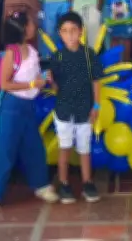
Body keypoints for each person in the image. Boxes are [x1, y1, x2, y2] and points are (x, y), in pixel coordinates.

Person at [0, 13, 58, 210]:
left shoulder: (32, 51)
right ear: (23, 29)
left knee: (34, 146)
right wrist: (33, 83)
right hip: (10, 107)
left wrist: (43, 78)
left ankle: (41, 184)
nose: (34, 25)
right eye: (30, 22)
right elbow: (5, 84)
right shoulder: (11, 53)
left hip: (28, 106)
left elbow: (32, 77)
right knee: (4, 148)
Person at [41, 12, 103, 204]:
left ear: (81, 32)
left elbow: (96, 81)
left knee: (84, 147)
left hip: (85, 108)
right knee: (65, 147)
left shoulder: (88, 54)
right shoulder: (57, 57)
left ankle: (87, 182)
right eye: (65, 31)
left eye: (73, 31)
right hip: (64, 109)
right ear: (59, 33)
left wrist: (96, 105)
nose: (70, 35)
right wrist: (50, 81)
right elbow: (56, 86)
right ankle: (64, 182)